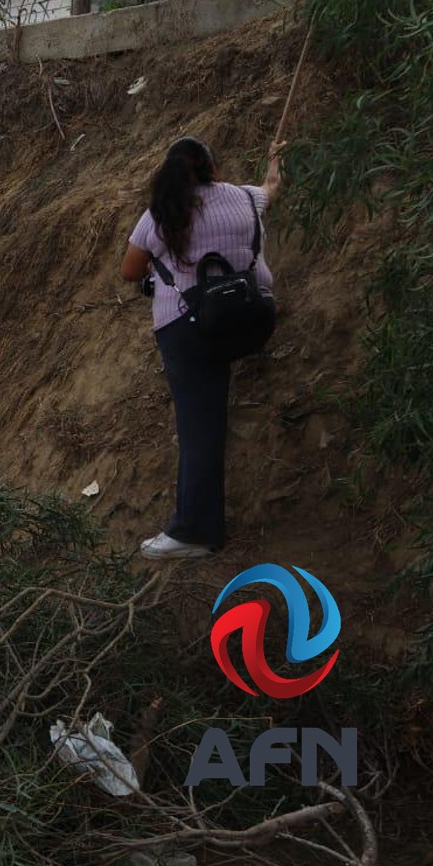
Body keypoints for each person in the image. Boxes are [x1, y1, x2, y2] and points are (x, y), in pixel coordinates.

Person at [119, 135, 286, 560]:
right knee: (206, 422)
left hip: (189, 328)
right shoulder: (245, 198)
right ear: (213, 166)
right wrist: (273, 160)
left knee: (199, 428)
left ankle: (194, 532)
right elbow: (271, 189)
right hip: (249, 319)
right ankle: (198, 522)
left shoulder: (163, 212)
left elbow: (130, 269)